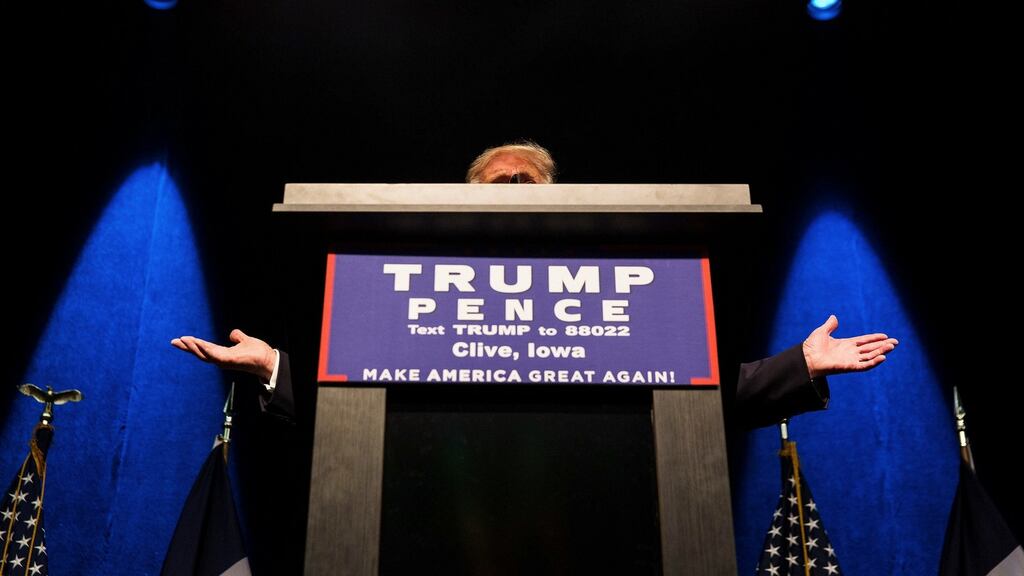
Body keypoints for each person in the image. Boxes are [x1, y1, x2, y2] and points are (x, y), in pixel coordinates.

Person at [171, 141, 898, 426]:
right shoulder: (408, 291)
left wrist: (797, 367)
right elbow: (355, 398)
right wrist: (273, 369)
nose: (514, 187)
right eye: (499, 181)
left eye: (529, 180)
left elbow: (697, 394)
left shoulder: (620, 288)